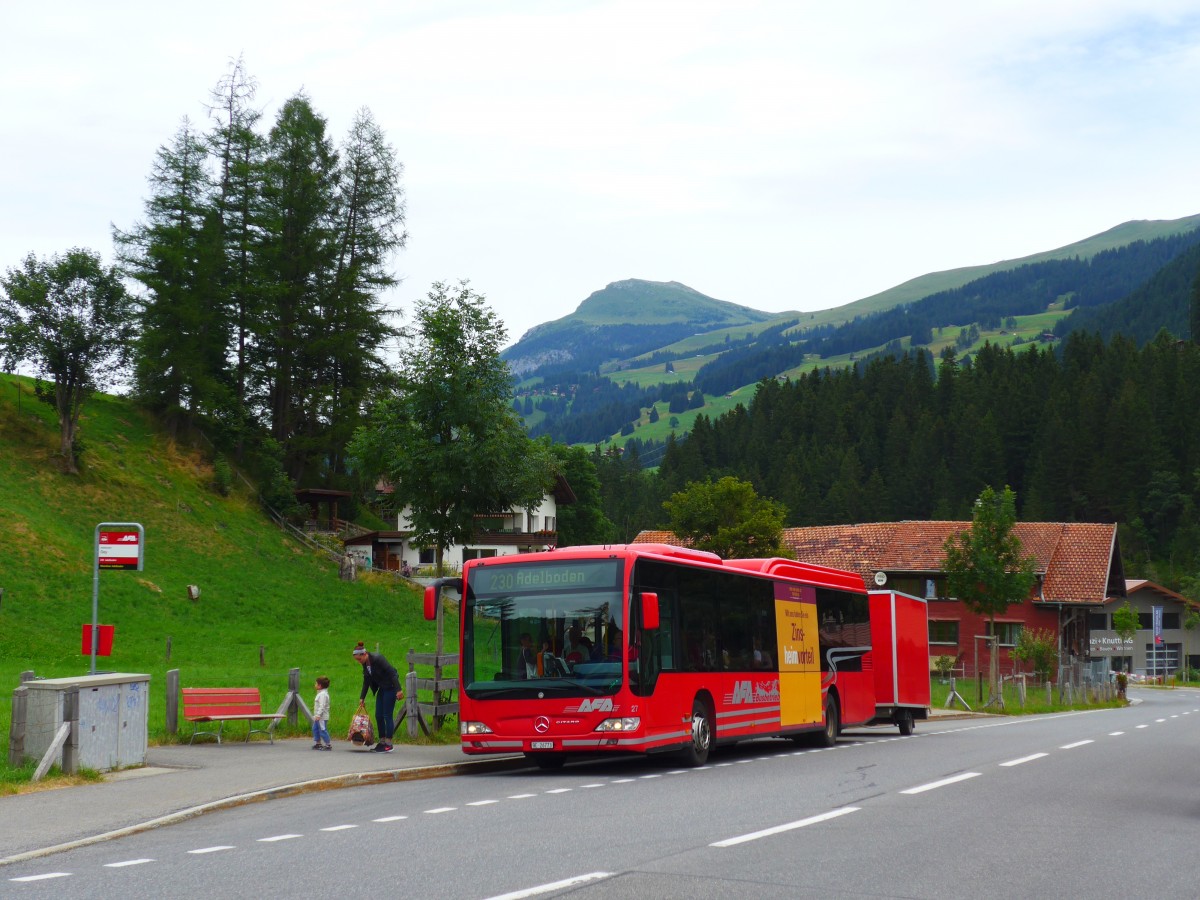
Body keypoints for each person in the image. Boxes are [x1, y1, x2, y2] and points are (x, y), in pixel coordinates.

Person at [353, 642, 403, 752]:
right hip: (382, 688)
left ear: (364, 654)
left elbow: (392, 673)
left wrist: (398, 690)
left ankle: (388, 744)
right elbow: (366, 681)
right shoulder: (365, 664)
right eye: (357, 660)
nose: (359, 661)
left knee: (387, 715)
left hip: (390, 687)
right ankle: (382, 742)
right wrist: (362, 697)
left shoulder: (378, 659)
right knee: (378, 715)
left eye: (359, 659)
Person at [312, 676, 332, 751]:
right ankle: (318, 743)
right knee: (315, 729)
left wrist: (318, 715)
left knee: (322, 730)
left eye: (316, 684)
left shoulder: (323, 694)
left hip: (322, 717)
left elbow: (322, 706)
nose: (315, 685)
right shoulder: (320, 693)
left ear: (320, 685)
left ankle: (328, 744)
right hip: (318, 717)